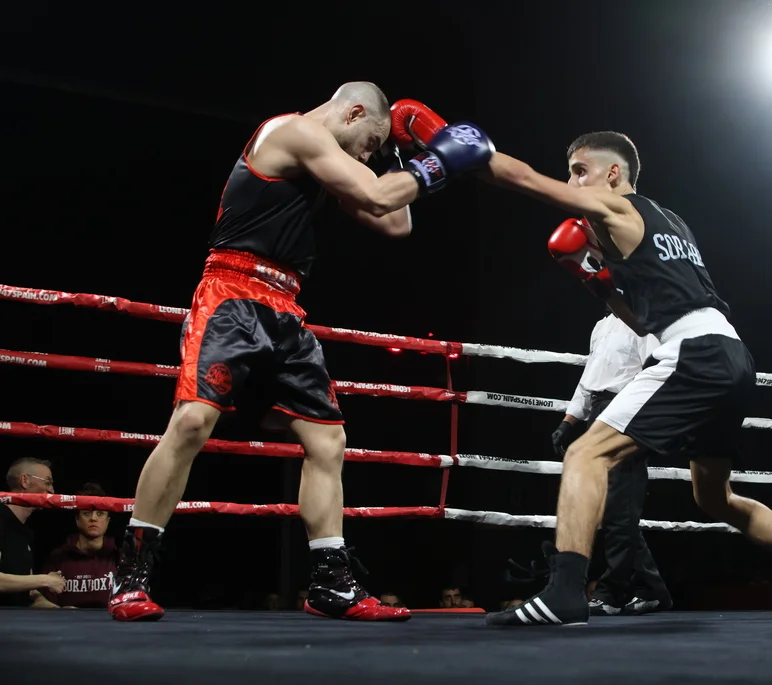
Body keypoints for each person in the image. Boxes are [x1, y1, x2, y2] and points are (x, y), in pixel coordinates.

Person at [107, 84, 495, 622]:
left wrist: (402, 156)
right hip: (233, 293)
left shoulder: (327, 163)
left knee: (327, 440)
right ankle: (130, 575)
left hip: (285, 307)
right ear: (353, 113)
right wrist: (440, 161)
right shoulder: (295, 132)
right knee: (193, 422)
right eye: (370, 143)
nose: (367, 156)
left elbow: (395, 220)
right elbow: (380, 196)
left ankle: (330, 583)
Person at [483, 132, 772, 626]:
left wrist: (458, 150)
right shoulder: (670, 222)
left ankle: (565, 593)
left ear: (612, 173)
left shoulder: (615, 207)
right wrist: (597, 283)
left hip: (694, 351)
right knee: (714, 497)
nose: (573, 181)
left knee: (585, 453)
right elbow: (643, 324)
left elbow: (527, 180)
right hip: (731, 354)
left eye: (579, 170)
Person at [552, 309, 671, 616]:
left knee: (619, 503)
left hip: (627, 409)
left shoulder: (642, 320)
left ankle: (612, 591)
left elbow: (654, 370)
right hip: (598, 411)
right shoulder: (601, 326)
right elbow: (589, 378)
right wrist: (568, 421)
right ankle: (651, 588)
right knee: (612, 508)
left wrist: (635, 416)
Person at [0, 458, 66, 608]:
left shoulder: (26, 532)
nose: (52, 491)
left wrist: (61, 612)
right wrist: (45, 580)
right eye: (47, 482)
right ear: (25, 481)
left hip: (19, 618)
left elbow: (29, 592)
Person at [41, 482, 118, 608]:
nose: (93, 518)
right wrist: (60, 612)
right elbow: (42, 602)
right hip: (68, 620)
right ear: (77, 519)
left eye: (100, 514)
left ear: (107, 521)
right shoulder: (58, 557)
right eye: (87, 513)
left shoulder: (119, 557)